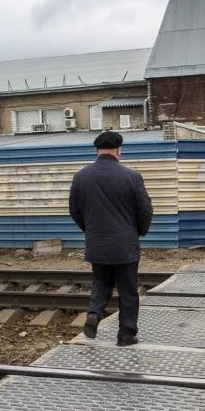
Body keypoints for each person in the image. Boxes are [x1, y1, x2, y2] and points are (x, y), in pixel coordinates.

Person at [69, 131, 153, 346]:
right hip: (125, 244)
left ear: (97, 150)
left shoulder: (81, 176)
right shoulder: (132, 176)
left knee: (101, 283)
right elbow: (145, 211)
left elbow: (74, 211)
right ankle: (126, 335)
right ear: (118, 150)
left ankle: (94, 314)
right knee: (128, 291)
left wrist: (90, 230)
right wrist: (139, 231)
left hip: (97, 243)